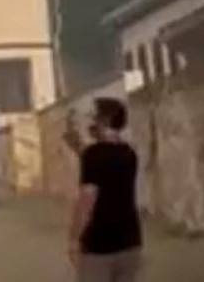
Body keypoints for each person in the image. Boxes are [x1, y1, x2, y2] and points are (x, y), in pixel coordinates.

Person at [69, 97, 142, 282]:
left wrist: (74, 238)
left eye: (94, 117)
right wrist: (79, 147)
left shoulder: (93, 155)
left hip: (99, 243)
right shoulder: (129, 153)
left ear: (105, 120)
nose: (91, 122)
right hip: (130, 240)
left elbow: (87, 199)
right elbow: (105, 164)